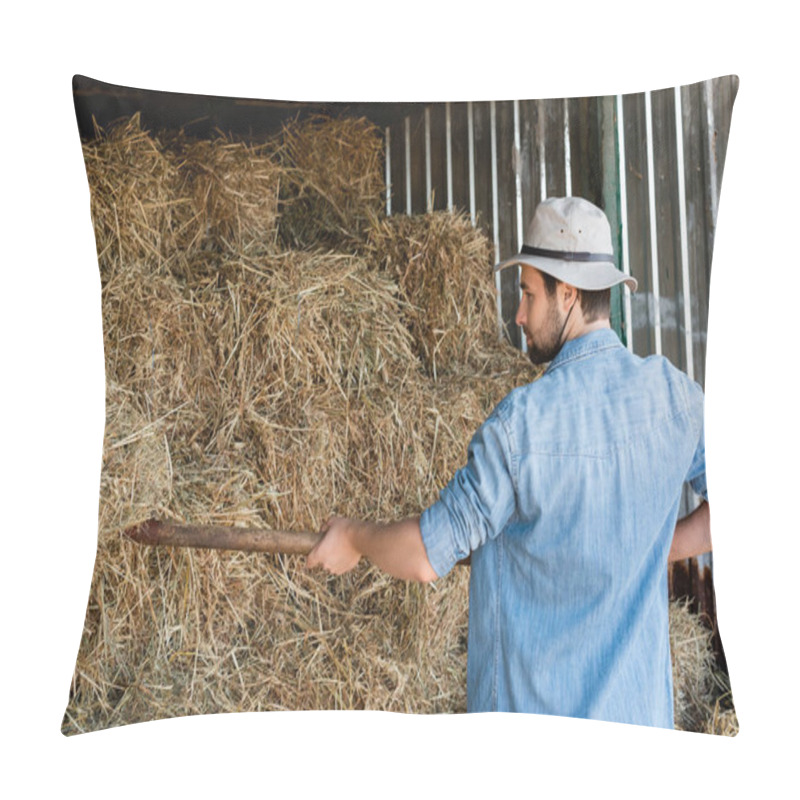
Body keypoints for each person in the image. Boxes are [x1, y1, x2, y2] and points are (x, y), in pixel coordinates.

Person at [306, 196, 711, 728]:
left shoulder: (523, 424)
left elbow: (426, 556)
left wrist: (354, 537)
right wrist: (664, 544)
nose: (518, 315)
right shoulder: (676, 398)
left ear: (567, 294)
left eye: (527, 293)